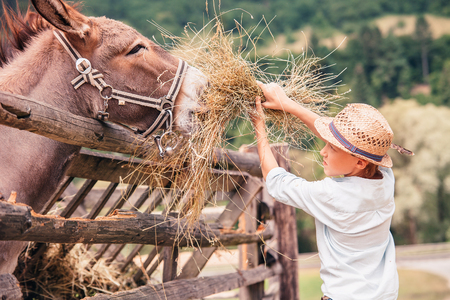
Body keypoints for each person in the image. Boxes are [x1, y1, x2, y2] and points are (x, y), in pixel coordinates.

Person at [250, 81, 404, 300]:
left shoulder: (332, 195)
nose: (323, 151)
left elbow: (275, 180)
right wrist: (288, 104)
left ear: (360, 162)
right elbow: (342, 144)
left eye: (331, 147)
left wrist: (259, 125)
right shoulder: (385, 181)